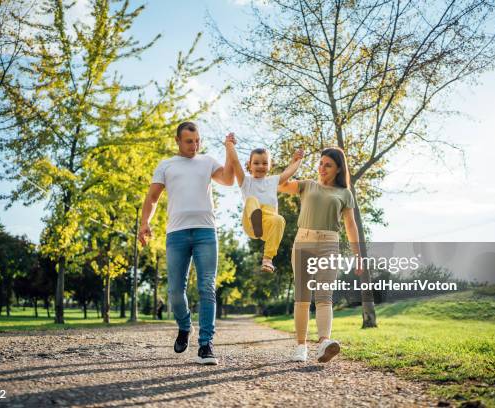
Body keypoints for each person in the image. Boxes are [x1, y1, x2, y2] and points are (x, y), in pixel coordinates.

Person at [138, 122, 235, 365]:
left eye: (197, 141)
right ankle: (184, 326)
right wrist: (144, 223)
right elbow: (152, 198)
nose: (194, 145)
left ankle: (206, 344)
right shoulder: (166, 165)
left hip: (205, 232)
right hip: (177, 234)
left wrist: (229, 149)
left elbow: (229, 179)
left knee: (206, 287)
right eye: (189, 141)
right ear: (178, 141)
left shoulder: (207, 161)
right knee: (174, 291)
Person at [278, 147, 362, 363]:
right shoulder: (308, 185)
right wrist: (295, 162)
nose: (322, 168)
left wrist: (358, 256)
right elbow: (280, 184)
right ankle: (301, 346)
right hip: (303, 243)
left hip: (329, 244)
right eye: (321, 163)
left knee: (324, 297)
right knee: (303, 299)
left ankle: (324, 342)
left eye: (328, 165)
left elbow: (351, 226)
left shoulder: (344, 194)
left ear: (338, 169)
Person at [227, 140, 304, 272]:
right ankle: (255, 220)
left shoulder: (273, 181)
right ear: (249, 165)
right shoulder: (246, 182)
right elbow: (235, 162)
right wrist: (229, 144)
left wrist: (298, 159)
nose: (260, 166)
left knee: (279, 219)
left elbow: (289, 172)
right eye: (256, 163)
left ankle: (267, 260)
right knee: (251, 200)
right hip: (251, 224)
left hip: (267, 223)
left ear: (270, 165)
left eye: (264, 163)